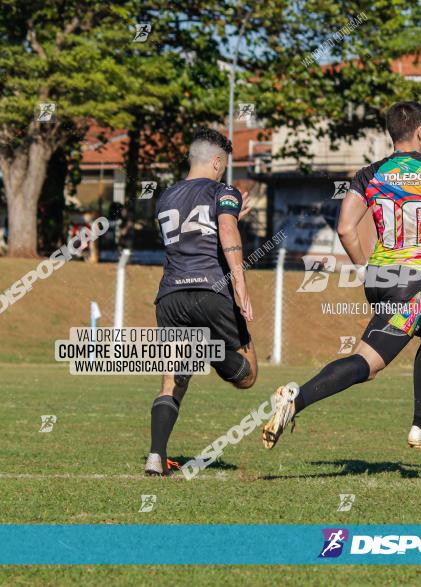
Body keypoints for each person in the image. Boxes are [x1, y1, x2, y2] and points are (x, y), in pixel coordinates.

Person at [261, 101, 421, 451]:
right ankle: (294, 400)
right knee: (367, 364)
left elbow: (346, 229)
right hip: (414, 285)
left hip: (379, 279)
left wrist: (365, 267)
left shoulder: (369, 174)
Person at [145, 128, 257, 476]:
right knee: (248, 374)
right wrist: (240, 284)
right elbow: (224, 230)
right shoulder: (223, 191)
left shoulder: (165, 198)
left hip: (171, 296)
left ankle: (155, 456)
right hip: (212, 290)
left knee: (172, 380)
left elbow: (189, 236)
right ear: (217, 161)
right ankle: (207, 349)